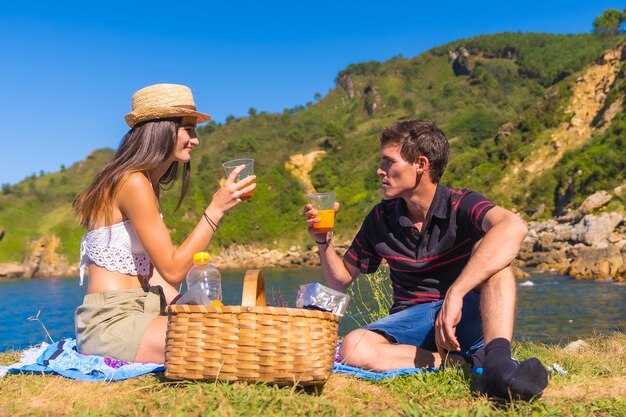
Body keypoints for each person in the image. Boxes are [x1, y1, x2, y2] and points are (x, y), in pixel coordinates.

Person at [304, 120, 548, 401]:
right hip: (412, 322)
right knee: (353, 347)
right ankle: (460, 363)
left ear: (420, 164)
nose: (379, 170)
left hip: (466, 316)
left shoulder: (460, 203)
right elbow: (340, 279)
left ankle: (498, 363)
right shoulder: (381, 217)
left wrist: (456, 293)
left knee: (498, 263)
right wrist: (324, 241)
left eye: (388, 161)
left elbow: (513, 227)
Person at [73, 83, 256, 364]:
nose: (195, 140)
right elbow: (172, 270)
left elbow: (153, 274)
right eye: (188, 130)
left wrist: (189, 306)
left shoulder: (145, 183)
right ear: (163, 129)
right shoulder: (133, 182)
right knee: (223, 342)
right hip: (111, 321)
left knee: (230, 331)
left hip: (142, 310)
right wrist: (216, 209)